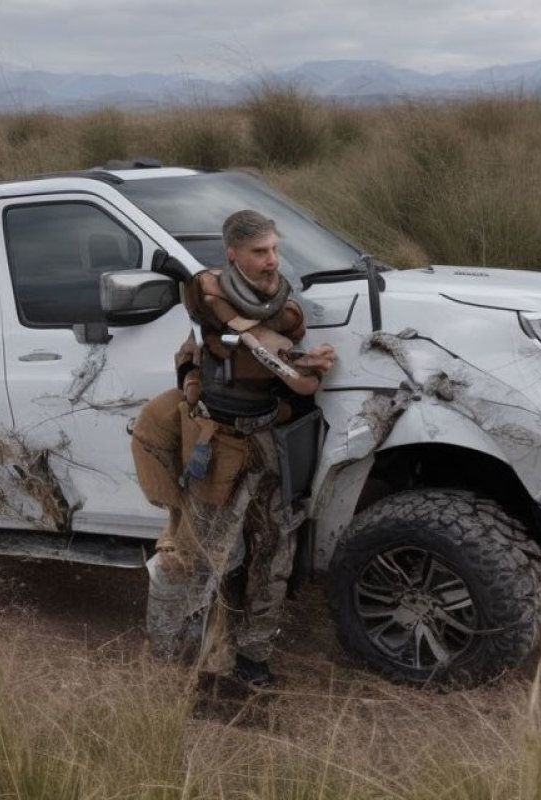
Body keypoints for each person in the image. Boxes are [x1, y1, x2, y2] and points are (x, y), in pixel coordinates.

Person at [131, 209, 335, 687]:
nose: (272, 261)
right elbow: (213, 307)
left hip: (269, 442)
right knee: (192, 556)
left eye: (275, 250)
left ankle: (252, 662)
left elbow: (294, 370)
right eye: (260, 252)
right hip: (218, 444)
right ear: (233, 255)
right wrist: (289, 361)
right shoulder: (208, 294)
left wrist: (305, 363)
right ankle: (164, 658)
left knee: (273, 555)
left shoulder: (283, 304)